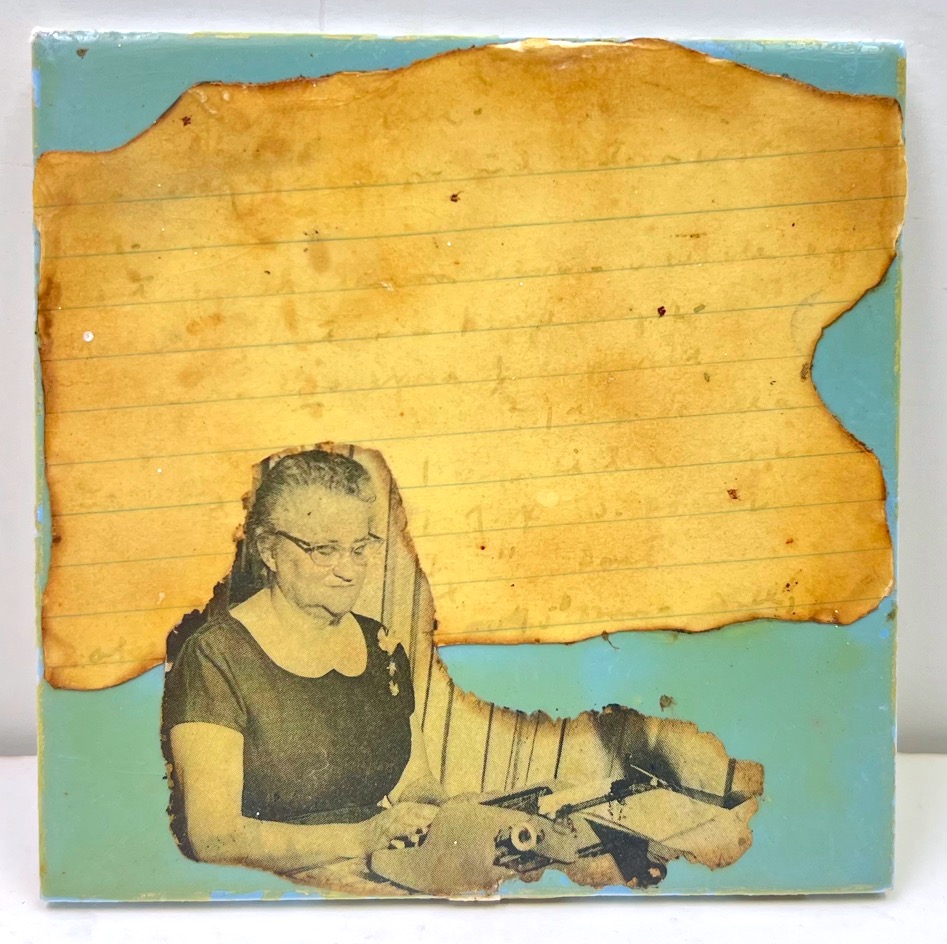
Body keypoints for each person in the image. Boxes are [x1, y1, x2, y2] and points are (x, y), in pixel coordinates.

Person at [160, 449, 443, 879]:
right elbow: (214, 837)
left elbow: (413, 781)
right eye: (325, 550)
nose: (349, 571)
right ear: (269, 551)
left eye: (359, 549)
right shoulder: (215, 656)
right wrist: (362, 837)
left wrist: (450, 816)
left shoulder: (380, 644)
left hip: (380, 873)